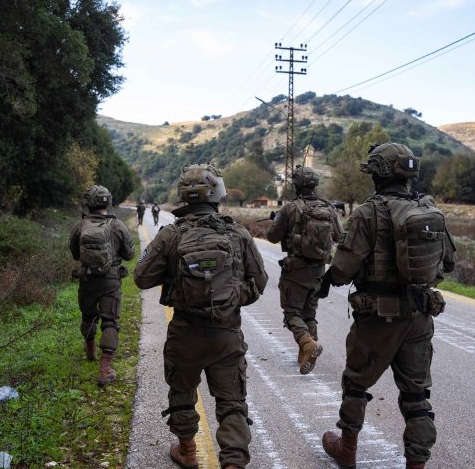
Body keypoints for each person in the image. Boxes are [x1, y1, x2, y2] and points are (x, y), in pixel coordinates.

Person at [318, 143, 456, 469]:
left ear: (377, 172)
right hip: (419, 315)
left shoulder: (368, 212)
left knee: (355, 383)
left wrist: (327, 281)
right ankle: (416, 464)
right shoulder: (427, 209)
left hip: (377, 319)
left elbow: (343, 269)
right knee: (417, 396)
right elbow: (447, 263)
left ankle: (347, 448)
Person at [134, 163, 268, 469]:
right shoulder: (237, 232)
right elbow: (259, 281)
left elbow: (141, 277)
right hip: (226, 333)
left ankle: (188, 451)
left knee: (182, 391)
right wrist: (232, 299)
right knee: (232, 400)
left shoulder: (170, 234)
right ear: (218, 192)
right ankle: (233, 462)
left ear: (184, 194)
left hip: (185, 331)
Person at [266, 165, 341, 374]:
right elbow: (339, 237)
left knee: (292, 313)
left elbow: (272, 236)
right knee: (309, 313)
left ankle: (307, 344)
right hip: (318, 270)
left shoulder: (289, 208)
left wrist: (277, 221)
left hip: (295, 270)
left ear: (296, 185)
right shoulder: (329, 209)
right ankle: (306, 352)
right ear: (315, 185)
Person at [69, 185, 136, 387]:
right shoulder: (118, 226)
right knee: (109, 321)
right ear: (108, 202)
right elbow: (130, 254)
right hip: (111, 281)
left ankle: (90, 351)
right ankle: (105, 370)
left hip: (87, 279)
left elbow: (75, 254)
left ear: (88, 203)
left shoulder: (79, 226)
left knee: (88, 316)